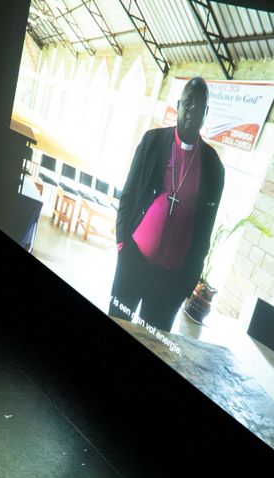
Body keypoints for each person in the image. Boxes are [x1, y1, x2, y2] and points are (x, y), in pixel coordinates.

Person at [108, 76, 225, 331]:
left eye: (200, 106)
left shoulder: (213, 166)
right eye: (188, 103)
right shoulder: (152, 141)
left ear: (206, 113)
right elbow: (128, 196)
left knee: (153, 344)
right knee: (115, 324)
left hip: (170, 280)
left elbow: (206, 230)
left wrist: (187, 281)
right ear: (178, 105)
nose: (193, 110)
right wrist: (122, 245)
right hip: (133, 261)